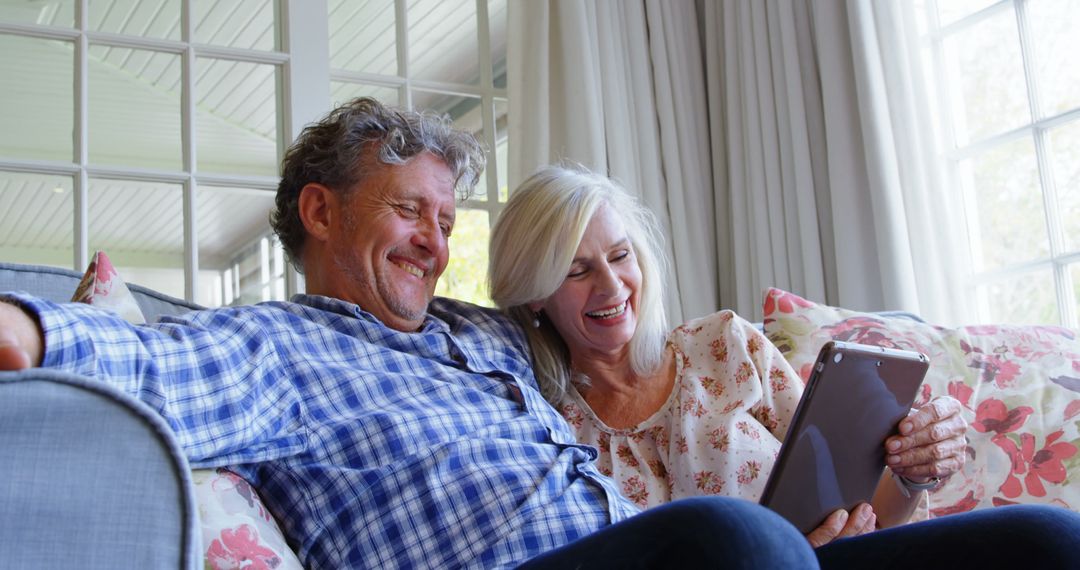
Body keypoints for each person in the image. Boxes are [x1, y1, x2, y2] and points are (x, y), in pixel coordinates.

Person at [0, 97, 823, 569]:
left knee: (943, 549)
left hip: (622, 553)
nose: (434, 242)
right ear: (321, 212)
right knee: (737, 542)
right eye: (407, 211)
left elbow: (604, 321)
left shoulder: (489, 333)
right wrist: (21, 331)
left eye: (444, 218)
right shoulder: (276, 348)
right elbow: (140, 363)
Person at [488, 163, 1080, 564]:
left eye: (620, 256)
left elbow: (868, 509)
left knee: (1051, 538)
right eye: (577, 270)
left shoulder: (722, 346)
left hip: (838, 561)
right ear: (536, 292)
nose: (612, 285)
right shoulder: (544, 426)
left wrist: (908, 472)